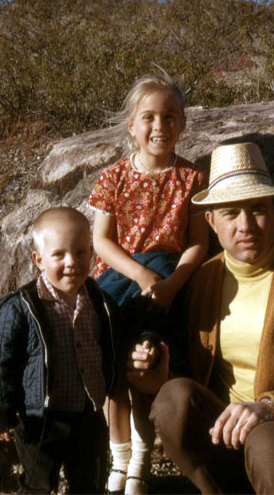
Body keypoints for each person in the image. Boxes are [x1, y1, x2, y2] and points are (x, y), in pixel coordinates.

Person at [129, 142, 274, 493]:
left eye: (257, 210)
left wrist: (270, 407)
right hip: (227, 441)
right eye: (230, 213)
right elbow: (189, 383)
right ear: (210, 221)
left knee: (266, 443)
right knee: (173, 399)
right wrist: (155, 377)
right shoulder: (203, 280)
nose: (245, 225)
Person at [87, 71, 208, 493]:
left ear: (183, 123)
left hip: (167, 288)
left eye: (171, 117)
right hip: (120, 284)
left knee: (146, 361)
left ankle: (141, 460)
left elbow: (198, 243)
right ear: (132, 126)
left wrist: (172, 283)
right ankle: (118, 460)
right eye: (150, 118)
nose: (161, 127)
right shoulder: (113, 177)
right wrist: (139, 272)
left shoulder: (191, 178)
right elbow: (101, 241)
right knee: (111, 369)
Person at [0, 207, 120, 494]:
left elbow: (113, 341)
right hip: (40, 416)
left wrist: (119, 374)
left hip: (88, 412)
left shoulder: (100, 301)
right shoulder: (22, 307)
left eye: (81, 252)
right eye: (59, 255)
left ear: (92, 254)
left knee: (89, 482)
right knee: (39, 483)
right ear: (39, 260)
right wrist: (0, 410)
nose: (72, 262)